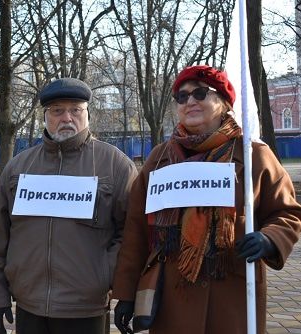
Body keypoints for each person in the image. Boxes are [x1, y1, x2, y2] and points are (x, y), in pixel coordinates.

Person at [112, 65, 301, 334]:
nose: (190, 101)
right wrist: (127, 293)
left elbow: (287, 213)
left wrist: (270, 238)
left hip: (233, 295)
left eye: (200, 93)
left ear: (223, 102)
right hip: (171, 299)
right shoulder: (159, 158)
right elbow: (136, 230)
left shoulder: (253, 154)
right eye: (182, 96)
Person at [0, 78, 138, 334]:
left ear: (87, 114)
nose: (67, 118)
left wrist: (109, 279)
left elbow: (131, 234)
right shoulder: (18, 169)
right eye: (57, 111)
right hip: (29, 304)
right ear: (45, 116)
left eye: (76, 110)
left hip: (85, 308)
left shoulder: (116, 166)